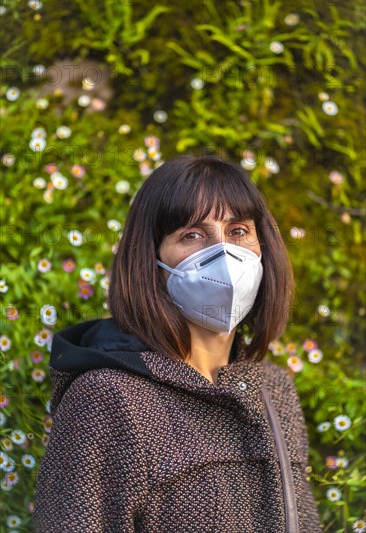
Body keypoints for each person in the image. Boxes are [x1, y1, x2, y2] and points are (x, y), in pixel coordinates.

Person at [33, 154, 322, 532]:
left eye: (238, 232)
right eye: (192, 235)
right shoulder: (108, 401)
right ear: (150, 259)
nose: (223, 254)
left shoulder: (273, 392)